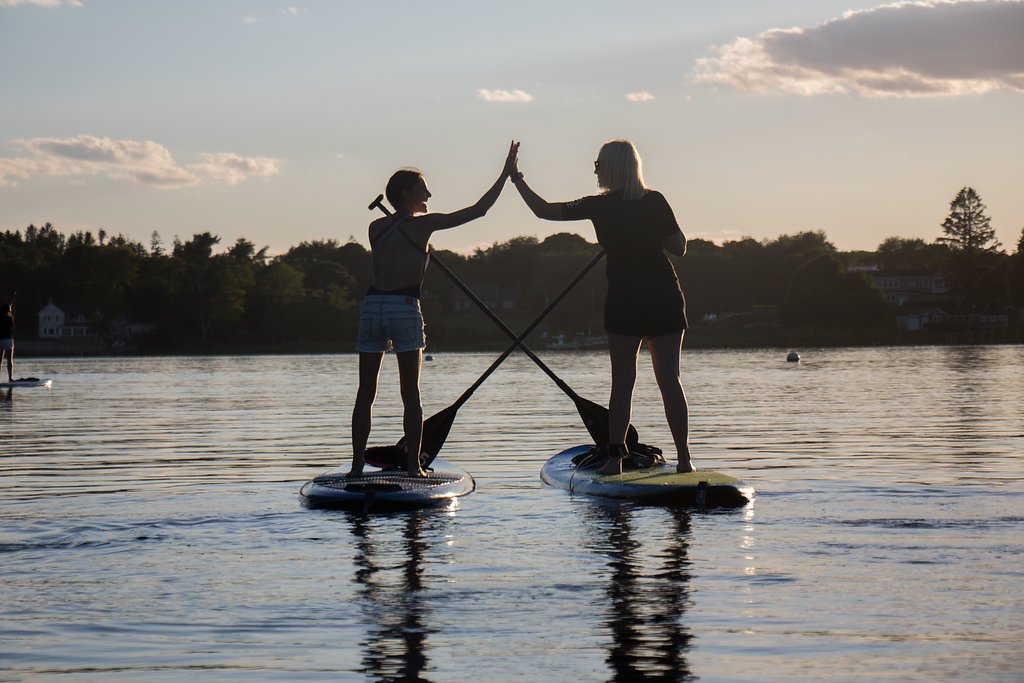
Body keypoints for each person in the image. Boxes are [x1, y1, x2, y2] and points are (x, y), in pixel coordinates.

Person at [508, 139, 694, 474]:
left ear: (611, 167)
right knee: (670, 380)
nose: (594, 169)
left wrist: (516, 177)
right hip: (663, 294)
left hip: (625, 299)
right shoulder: (655, 201)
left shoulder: (599, 205)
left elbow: (544, 210)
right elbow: (679, 247)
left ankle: (614, 461)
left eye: (598, 164)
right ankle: (685, 461)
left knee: (623, 382)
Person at [349, 142, 518, 478]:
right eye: (423, 188)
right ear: (408, 194)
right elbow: (479, 210)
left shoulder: (376, 228)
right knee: (410, 393)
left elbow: (400, 239)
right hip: (403, 307)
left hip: (372, 307)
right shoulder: (423, 226)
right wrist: (505, 174)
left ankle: (356, 467)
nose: (429, 192)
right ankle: (413, 467)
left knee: (365, 392)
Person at [0, 303, 14, 383]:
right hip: (7, 340)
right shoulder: (9, 316)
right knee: (9, 360)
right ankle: (10, 378)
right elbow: (12, 326)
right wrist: (10, 312)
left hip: (0, 340)